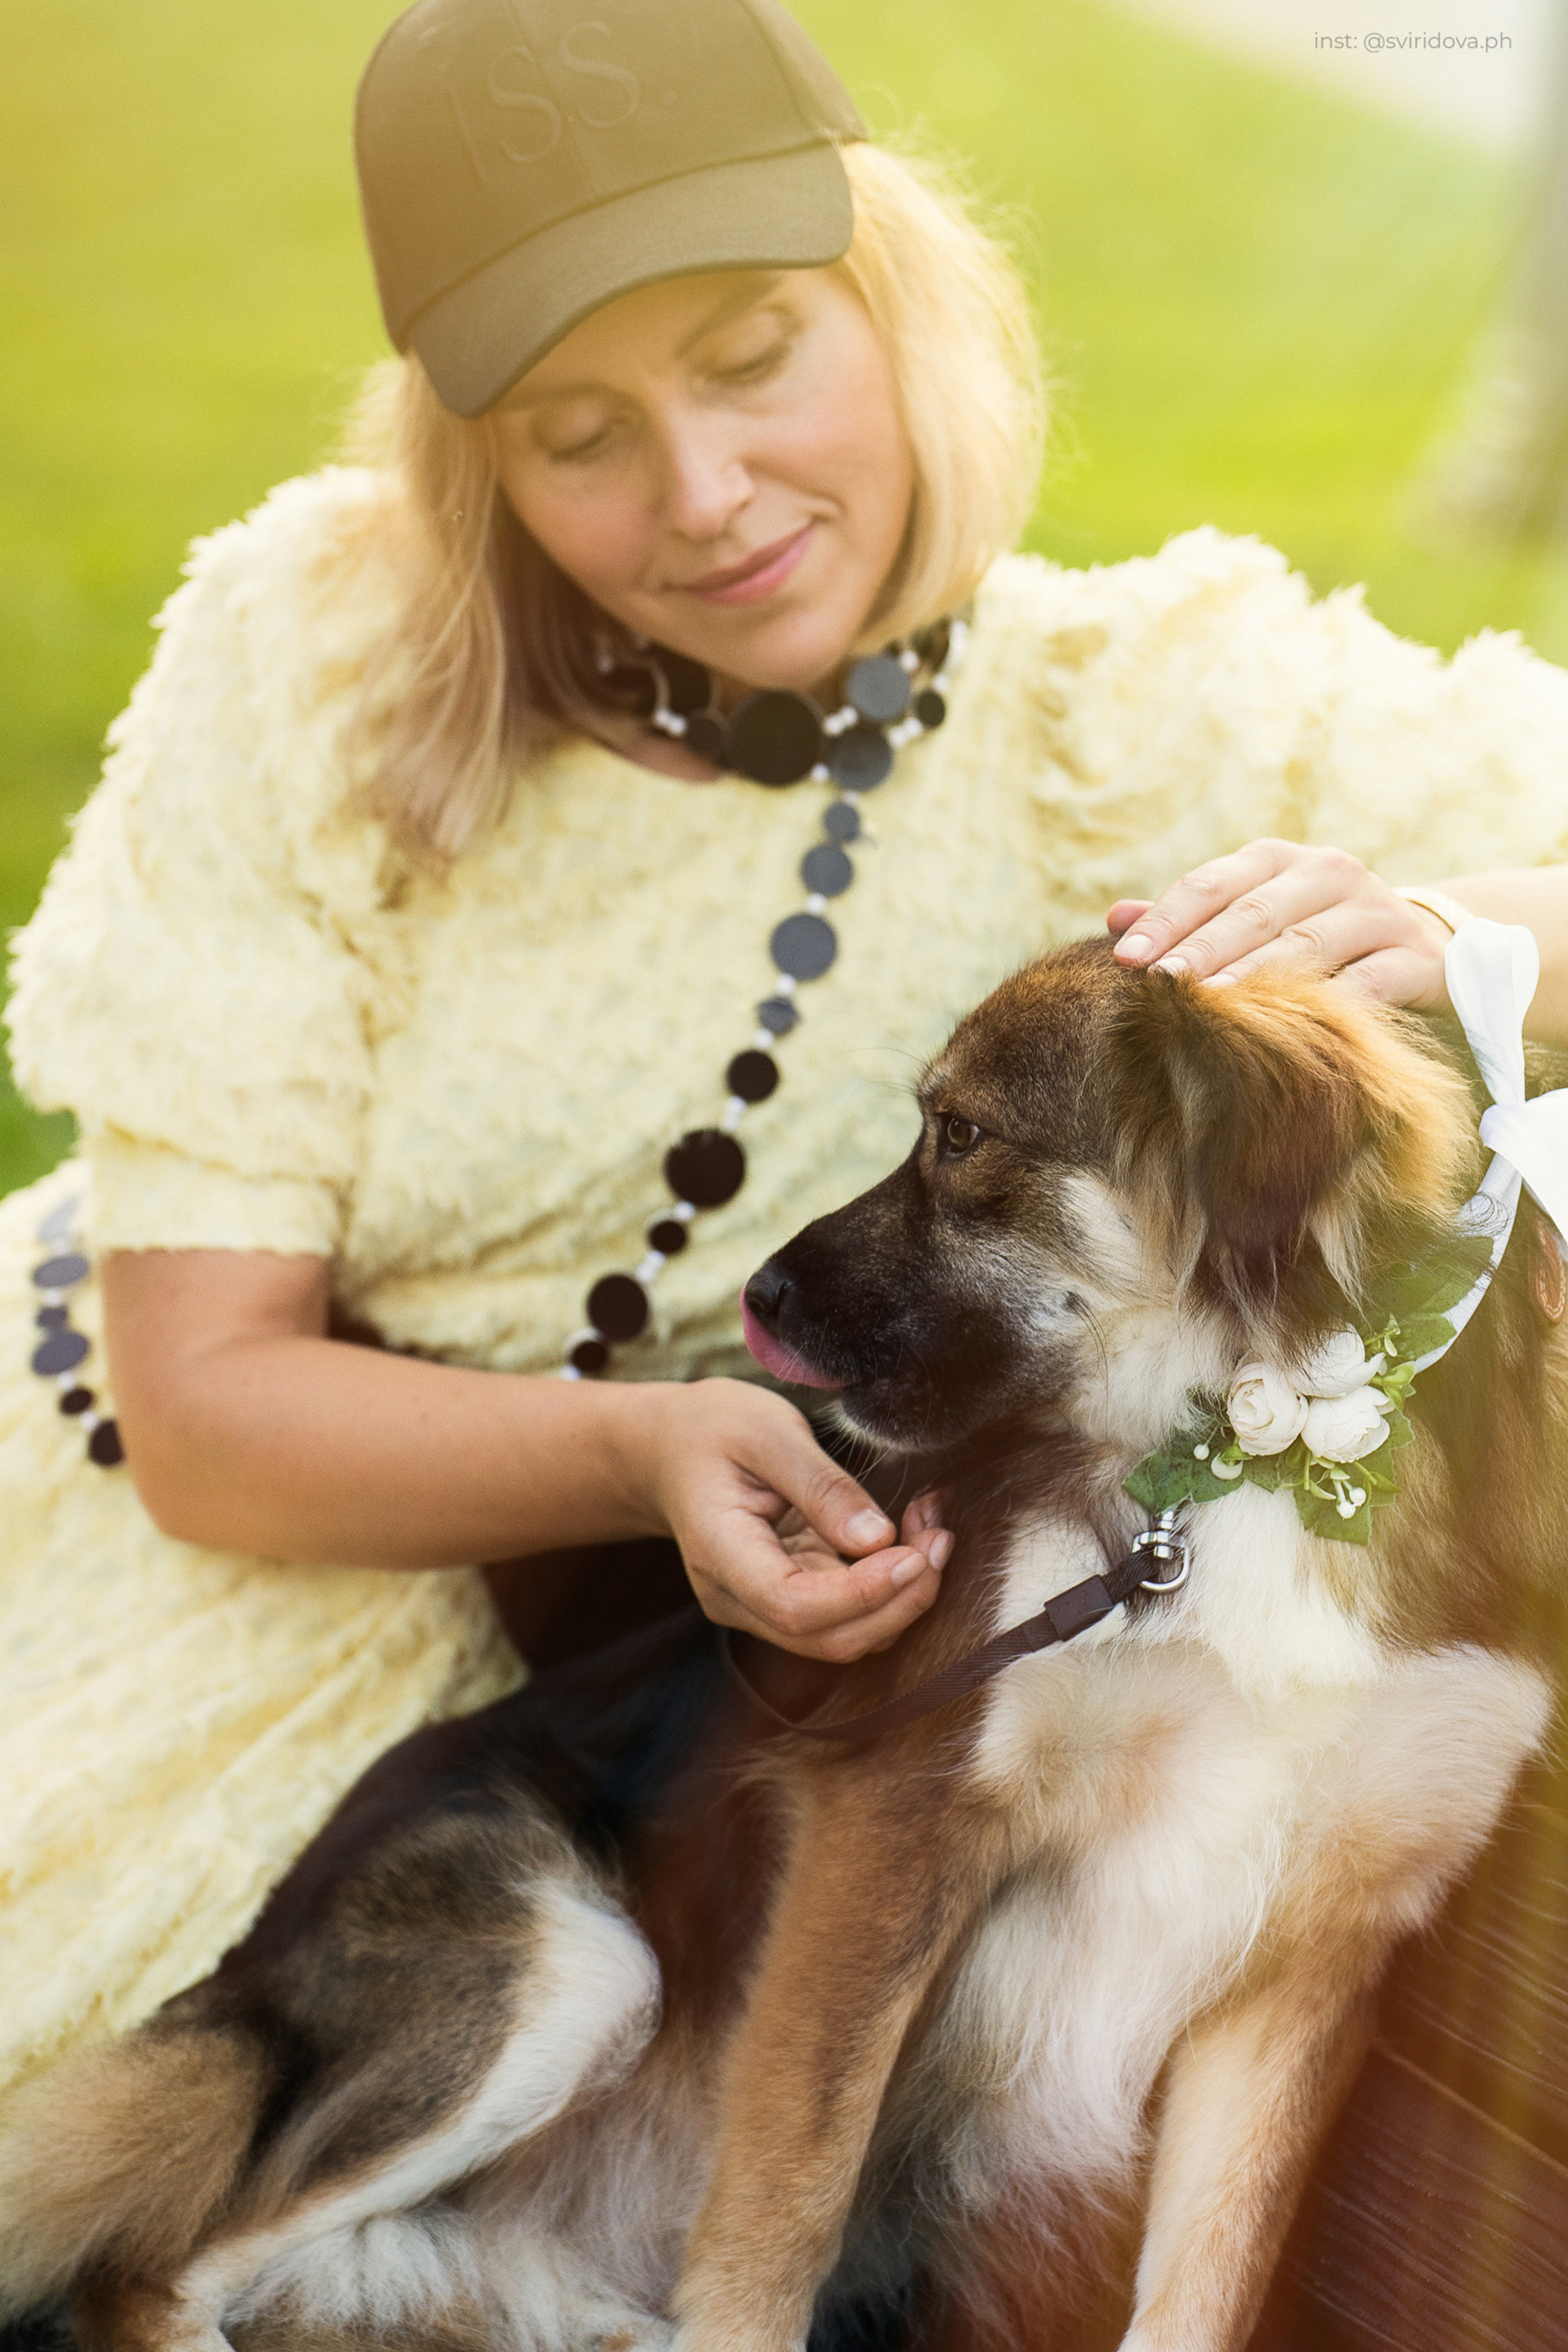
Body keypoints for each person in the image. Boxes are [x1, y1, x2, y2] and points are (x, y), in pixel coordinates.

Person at [2, 0, 1567, 2124]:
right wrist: (643, 1451)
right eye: (578, 432)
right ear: (480, 462)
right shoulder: (326, 657)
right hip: (207, 1590)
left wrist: (1478, 935)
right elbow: (203, 1414)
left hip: (692, 1715)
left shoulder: (1141, 712)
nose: (706, 493)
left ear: (895, 300)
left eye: (751, 357)